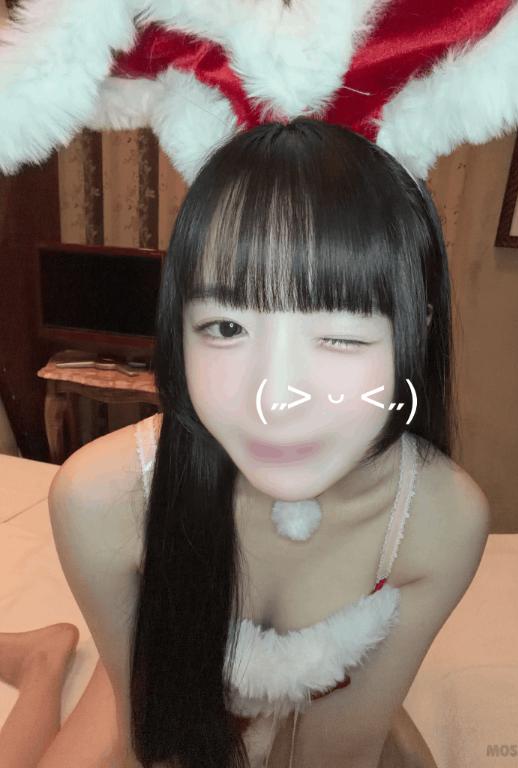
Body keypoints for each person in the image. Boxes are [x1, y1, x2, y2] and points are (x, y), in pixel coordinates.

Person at [1, 117, 490, 768]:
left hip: (329, 696)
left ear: (414, 336)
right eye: (227, 327)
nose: (275, 398)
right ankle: (43, 661)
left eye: (341, 336)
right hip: (166, 682)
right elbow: (150, 734)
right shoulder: (100, 498)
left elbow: (341, 752)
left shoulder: (440, 520)